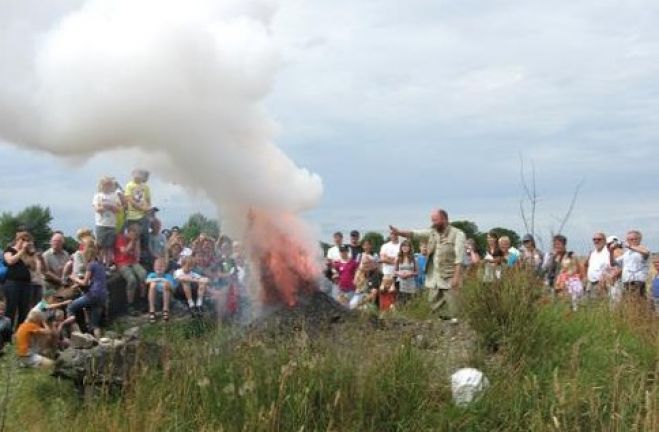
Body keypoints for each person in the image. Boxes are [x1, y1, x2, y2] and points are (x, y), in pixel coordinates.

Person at [390, 208, 466, 321]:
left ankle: (456, 327)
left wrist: (456, 278)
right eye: (432, 221)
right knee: (432, 303)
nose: (433, 223)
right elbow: (414, 234)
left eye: (436, 220)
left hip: (449, 277)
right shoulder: (432, 232)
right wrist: (399, 232)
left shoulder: (458, 234)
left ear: (445, 219)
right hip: (434, 278)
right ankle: (439, 325)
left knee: (454, 307)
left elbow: (459, 259)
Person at [61, 241, 108, 337]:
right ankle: (100, 346)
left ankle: (76, 334)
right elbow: (94, 282)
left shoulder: (91, 265)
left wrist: (73, 278)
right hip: (102, 296)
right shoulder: (101, 265)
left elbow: (85, 282)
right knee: (94, 325)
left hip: (93, 295)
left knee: (71, 307)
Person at [3, 231, 34, 329]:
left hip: (26, 284)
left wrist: (30, 253)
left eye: (27, 240)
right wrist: (22, 251)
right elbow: (10, 261)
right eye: (23, 239)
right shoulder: (9, 250)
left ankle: (19, 332)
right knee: (11, 308)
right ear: (18, 240)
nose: (25, 242)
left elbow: (32, 267)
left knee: (24, 309)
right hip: (12, 283)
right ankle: (7, 333)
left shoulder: (26, 253)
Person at [114, 224, 147, 311]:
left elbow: (136, 254)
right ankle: (130, 304)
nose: (136, 236)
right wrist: (132, 241)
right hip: (121, 263)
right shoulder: (120, 238)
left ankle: (142, 300)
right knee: (132, 280)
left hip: (133, 261)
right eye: (135, 234)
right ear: (129, 232)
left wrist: (136, 244)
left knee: (143, 275)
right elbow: (124, 252)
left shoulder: (136, 240)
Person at [124, 169, 152, 262]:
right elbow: (130, 200)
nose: (138, 175)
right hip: (133, 217)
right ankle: (134, 259)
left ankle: (143, 260)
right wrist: (142, 208)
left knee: (144, 238)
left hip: (143, 217)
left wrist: (148, 211)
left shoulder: (146, 187)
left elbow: (148, 200)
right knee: (134, 239)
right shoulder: (129, 185)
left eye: (140, 173)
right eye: (136, 173)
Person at [93, 176, 122, 266]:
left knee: (109, 247)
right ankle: (100, 264)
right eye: (105, 184)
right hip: (101, 224)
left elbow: (119, 209)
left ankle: (107, 265)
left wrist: (113, 208)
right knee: (100, 246)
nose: (107, 186)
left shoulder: (115, 196)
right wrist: (106, 207)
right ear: (101, 185)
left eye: (109, 184)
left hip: (111, 225)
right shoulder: (98, 196)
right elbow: (97, 209)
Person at [617, 230, 651, 299]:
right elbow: (614, 263)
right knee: (627, 305)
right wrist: (611, 251)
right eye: (628, 240)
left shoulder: (643, 249)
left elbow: (646, 252)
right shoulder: (627, 253)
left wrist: (628, 246)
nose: (630, 241)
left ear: (639, 239)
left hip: (637, 282)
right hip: (626, 282)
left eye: (633, 239)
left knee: (638, 303)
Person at [145, 258, 175, 323]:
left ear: (165, 268)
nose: (159, 268)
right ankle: (152, 310)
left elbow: (173, 288)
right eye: (157, 266)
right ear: (154, 267)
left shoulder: (168, 276)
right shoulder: (152, 275)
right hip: (155, 298)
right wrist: (160, 279)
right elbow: (147, 281)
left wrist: (167, 283)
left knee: (166, 285)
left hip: (166, 297)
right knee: (152, 285)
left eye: (161, 266)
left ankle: (165, 309)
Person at [583, 232, 611, 299]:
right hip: (590, 283)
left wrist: (605, 279)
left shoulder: (608, 252)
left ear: (604, 240)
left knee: (600, 304)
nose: (596, 241)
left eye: (599, 239)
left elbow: (611, 267)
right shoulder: (593, 253)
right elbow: (587, 266)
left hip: (601, 284)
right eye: (594, 239)